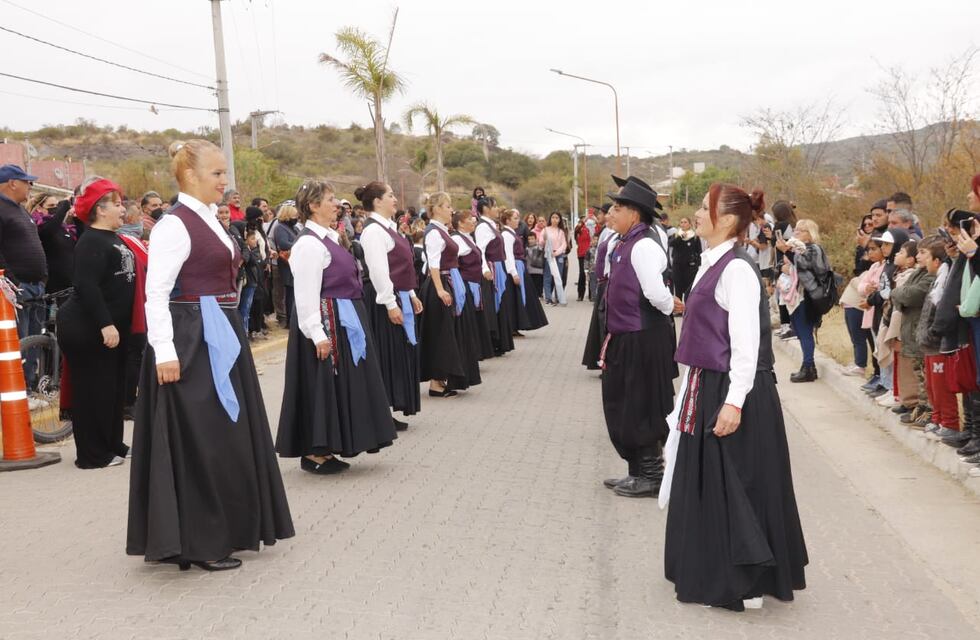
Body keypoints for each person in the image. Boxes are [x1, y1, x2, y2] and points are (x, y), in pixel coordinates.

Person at [127, 139, 293, 572]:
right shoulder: (174, 225)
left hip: (220, 331)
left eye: (224, 173)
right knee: (202, 438)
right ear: (190, 177)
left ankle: (229, 527)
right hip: (190, 338)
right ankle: (199, 541)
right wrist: (164, 351)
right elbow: (156, 293)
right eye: (217, 173)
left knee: (226, 434)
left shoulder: (211, 221)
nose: (225, 181)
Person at [663, 183, 807, 611]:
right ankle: (712, 567)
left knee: (737, 484)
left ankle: (743, 580)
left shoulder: (737, 270)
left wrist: (733, 401)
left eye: (704, 208)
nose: (697, 214)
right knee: (711, 483)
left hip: (731, 388)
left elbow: (747, 344)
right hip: (709, 384)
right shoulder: (714, 262)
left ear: (726, 219)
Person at [276, 179, 396, 473]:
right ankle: (316, 452)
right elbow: (305, 295)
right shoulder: (308, 244)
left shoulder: (330, 237)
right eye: (329, 199)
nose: (336, 204)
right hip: (326, 320)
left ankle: (331, 445)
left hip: (344, 317)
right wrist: (317, 334)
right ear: (313, 206)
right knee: (322, 384)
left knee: (340, 384)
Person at [600, 180, 681, 498]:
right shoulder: (625, 241)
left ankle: (651, 473)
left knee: (642, 404)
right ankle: (636, 470)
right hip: (627, 335)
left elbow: (656, 293)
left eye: (618, 208)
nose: (612, 213)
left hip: (643, 337)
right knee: (624, 404)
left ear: (634, 214)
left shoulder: (644, 245)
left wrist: (668, 306)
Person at [56, 177, 134, 469]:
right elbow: (87, 286)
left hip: (109, 327)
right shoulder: (90, 241)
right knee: (92, 392)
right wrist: (105, 323)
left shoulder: (112, 237)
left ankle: (113, 444)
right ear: (100, 210)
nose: (122, 209)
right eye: (116, 204)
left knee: (112, 391)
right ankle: (91, 455)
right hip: (87, 328)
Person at [357, 181, 424, 431]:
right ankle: (380, 412)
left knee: (395, 353)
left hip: (397, 295)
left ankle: (386, 410)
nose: (395, 199)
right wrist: (390, 303)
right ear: (376, 201)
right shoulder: (374, 231)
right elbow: (378, 271)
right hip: (383, 299)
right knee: (386, 355)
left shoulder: (389, 228)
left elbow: (402, 268)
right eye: (391, 195)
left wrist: (411, 293)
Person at [418, 192, 477, 395]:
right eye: (447, 206)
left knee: (448, 333)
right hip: (440, 284)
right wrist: (440, 289)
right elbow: (433, 264)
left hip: (448, 281)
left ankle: (443, 378)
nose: (451, 210)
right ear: (436, 209)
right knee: (441, 335)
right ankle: (436, 382)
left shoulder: (442, 230)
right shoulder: (434, 232)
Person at [0, 164, 48, 343]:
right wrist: (14, 284)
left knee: (34, 348)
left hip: (36, 289)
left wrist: (43, 277)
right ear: (12, 183)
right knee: (19, 348)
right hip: (17, 291)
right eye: (27, 182)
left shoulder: (21, 210)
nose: (30, 187)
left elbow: (35, 243)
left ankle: (30, 372)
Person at [779, 218, 828, 383]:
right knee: (799, 331)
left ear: (810, 234)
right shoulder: (798, 248)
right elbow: (786, 265)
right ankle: (809, 366)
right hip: (796, 296)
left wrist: (787, 252)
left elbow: (804, 265)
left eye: (801, 230)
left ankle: (808, 367)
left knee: (805, 332)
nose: (796, 232)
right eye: (795, 229)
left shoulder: (814, 249)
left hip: (807, 297)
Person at [451, 211, 496, 362]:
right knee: (467, 321)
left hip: (473, 283)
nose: (473, 221)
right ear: (461, 223)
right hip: (464, 284)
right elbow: (453, 263)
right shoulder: (457, 239)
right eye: (470, 219)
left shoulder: (468, 237)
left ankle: (474, 354)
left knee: (475, 321)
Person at [474, 197, 515, 355]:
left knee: (499, 303)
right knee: (493, 305)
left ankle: (500, 341)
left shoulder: (491, 226)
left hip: (498, 266)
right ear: (485, 209)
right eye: (495, 206)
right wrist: (485, 268)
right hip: (491, 268)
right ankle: (493, 340)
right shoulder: (483, 227)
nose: (497, 209)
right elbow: (481, 250)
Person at [501, 208, 548, 332]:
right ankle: (512, 327)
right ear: (507, 220)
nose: (518, 221)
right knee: (515, 297)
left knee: (521, 296)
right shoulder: (506, 234)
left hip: (519, 265)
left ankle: (517, 325)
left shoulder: (512, 232)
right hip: (515, 266)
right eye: (515, 218)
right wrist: (513, 272)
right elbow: (508, 255)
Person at [582, 210, 617, 370]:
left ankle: (607, 361)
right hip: (603, 282)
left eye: (612, 212)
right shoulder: (607, 232)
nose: (608, 216)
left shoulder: (616, 235)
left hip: (610, 283)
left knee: (607, 324)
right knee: (601, 323)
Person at [28, 192, 77, 295]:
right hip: (53, 288)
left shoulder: (63, 228)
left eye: (56, 205)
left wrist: (76, 219)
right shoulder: (38, 226)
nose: (55, 209)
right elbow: (48, 232)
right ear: (39, 208)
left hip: (70, 285)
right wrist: (63, 208)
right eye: (51, 206)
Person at [273, 202, 301, 329]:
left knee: (295, 292)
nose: (296, 218)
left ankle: (295, 319)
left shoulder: (294, 228)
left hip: (296, 262)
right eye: (294, 215)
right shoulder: (280, 227)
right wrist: (300, 244)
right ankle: (290, 321)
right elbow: (283, 243)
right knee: (290, 292)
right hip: (287, 263)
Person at [669, 217, 700, 302]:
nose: (683, 224)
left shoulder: (695, 236)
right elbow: (671, 244)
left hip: (690, 267)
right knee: (678, 288)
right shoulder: (676, 235)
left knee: (688, 289)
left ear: (690, 224)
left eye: (685, 222)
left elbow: (699, 251)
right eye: (681, 222)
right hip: (677, 266)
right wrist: (680, 237)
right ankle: (678, 308)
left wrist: (697, 263)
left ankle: (688, 308)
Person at [542, 212, 568, 306]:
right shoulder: (545, 230)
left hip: (558, 255)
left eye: (557, 218)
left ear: (559, 219)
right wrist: (544, 239)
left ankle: (559, 297)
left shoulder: (561, 231)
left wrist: (556, 253)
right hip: (548, 255)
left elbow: (564, 244)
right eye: (553, 217)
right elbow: (541, 242)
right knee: (548, 276)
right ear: (550, 219)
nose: (554, 219)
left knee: (558, 276)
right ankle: (548, 298)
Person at [574, 218, 592, 301]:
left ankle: (591, 295)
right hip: (581, 254)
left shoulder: (590, 229)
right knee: (582, 273)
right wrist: (583, 221)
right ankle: (580, 294)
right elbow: (576, 231)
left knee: (591, 273)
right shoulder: (579, 230)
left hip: (590, 253)